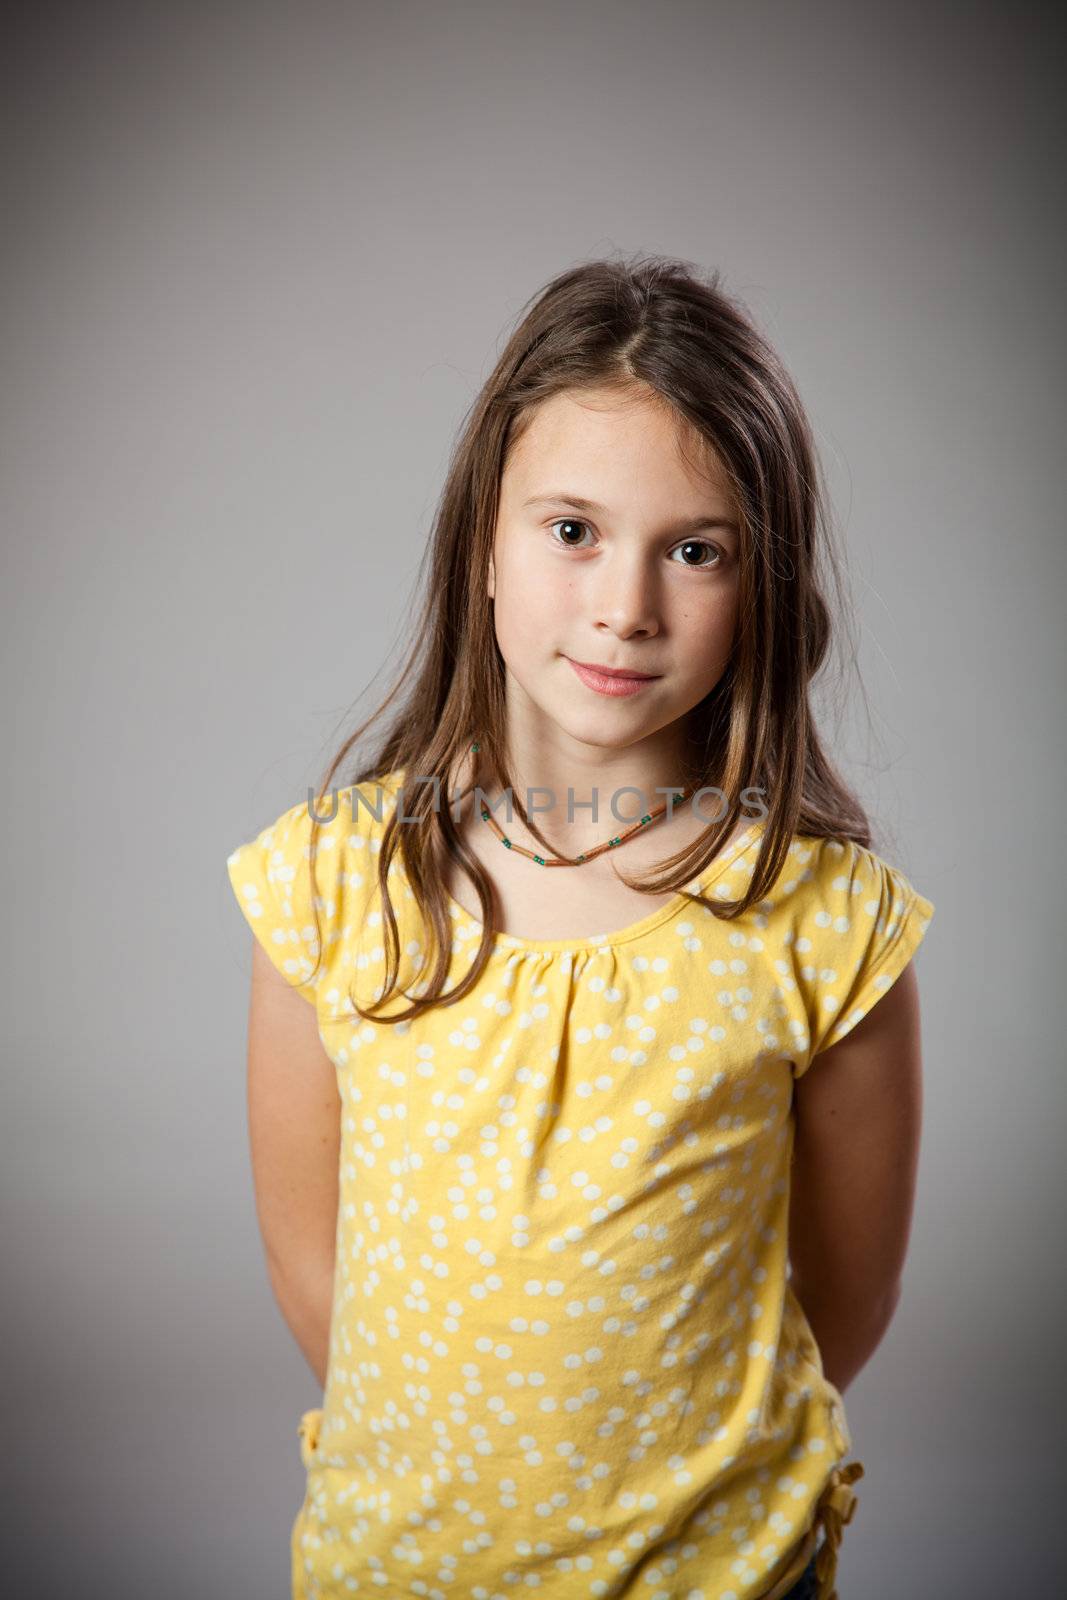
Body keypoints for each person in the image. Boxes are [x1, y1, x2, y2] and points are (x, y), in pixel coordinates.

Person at [225, 254, 934, 1600]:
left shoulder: (825, 926)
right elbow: (316, 1270)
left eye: (695, 550)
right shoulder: (331, 887)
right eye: (572, 532)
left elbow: (843, 1302)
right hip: (404, 1569)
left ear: (759, 581)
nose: (626, 606)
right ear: (482, 543)